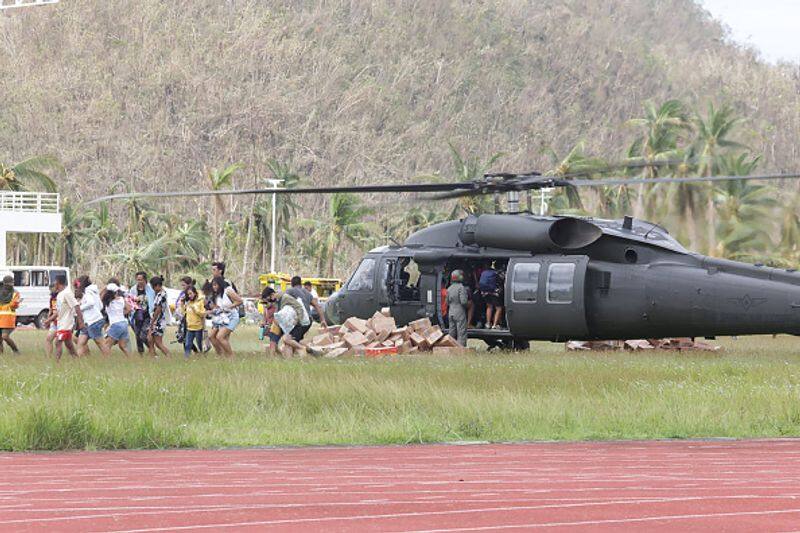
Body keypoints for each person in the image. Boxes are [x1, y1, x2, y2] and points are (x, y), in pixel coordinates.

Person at [261, 286, 308, 355]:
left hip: (296, 323)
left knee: (287, 341)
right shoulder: (276, 301)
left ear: (272, 295)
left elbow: (299, 307)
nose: (268, 301)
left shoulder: (285, 298)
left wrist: (297, 320)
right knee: (277, 340)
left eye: (268, 299)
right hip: (285, 324)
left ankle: (303, 349)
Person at [208, 276, 243, 357]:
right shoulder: (216, 295)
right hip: (221, 317)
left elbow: (239, 301)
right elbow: (217, 307)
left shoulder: (228, 291)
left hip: (232, 317)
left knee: (220, 337)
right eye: (213, 285)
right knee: (211, 336)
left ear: (220, 284)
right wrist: (213, 310)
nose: (214, 287)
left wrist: (228, 307)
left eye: (216, 285)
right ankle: (221, 355)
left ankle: (231, 356)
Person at [76, 276, 110, 356]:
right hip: (90, 321)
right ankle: (78, 362)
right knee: (81, 342)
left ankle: (108, 359)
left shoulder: (88, 292)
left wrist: (80, 308)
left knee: (100, 343)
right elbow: (100, 306)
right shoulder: (94, 292)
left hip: (93, 321)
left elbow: (91, 303)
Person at [53, 274, 83, 360]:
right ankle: (77, 360)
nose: (54, 284)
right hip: (61, 322)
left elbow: (76, 306)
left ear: (58, 282)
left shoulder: (67, 293)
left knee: (58, 342)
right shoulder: (60, 294)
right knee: (69, 344)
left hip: (66, 324)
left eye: (55, 282)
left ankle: (56, 363)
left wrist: (80, 322)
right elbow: (60, 310)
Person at [128, 271, 154, 354]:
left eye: (141, 279)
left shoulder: (150, 289)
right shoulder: (133, 289)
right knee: (137, 335)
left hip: (147, 316)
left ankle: (151, 349)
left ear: (145, 280)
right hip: (137, 315)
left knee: (143, 335)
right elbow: (129, 301)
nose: (139, 281)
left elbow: (153, 301)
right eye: (138, 279)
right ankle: (141, 353)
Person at [102, 282, 131, 356]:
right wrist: (120, 313)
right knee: (122, 346)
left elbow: (100, 297)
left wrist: (104, 288)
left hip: (115, 324)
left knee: (106, 345)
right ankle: (131, 359)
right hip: (124, 323)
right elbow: (128, 309)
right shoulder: (121, 299)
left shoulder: (107, 301)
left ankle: (106, 362)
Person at [147, 276, 170, 356]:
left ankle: (168, 355)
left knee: (158, 342)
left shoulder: (162, 295)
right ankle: (153, 357)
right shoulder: (158, 294)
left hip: (159, 321)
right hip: (156, 320)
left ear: (156, 285)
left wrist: (152, 322)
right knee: (150, 340)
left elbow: (158, 309)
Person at [182, 285, 206, 358]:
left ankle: (202, 356)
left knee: (199, 344)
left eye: (191, 293)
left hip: (198, 328)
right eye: (188, 294)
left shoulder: (200, 302)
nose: (189, 296)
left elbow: (203, 314)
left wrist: (196, 309)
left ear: (195, 293)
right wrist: (182, 305)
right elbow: (184, 313)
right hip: (190, 328)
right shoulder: (188, 303)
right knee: (187, 344)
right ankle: (186, 358)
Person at [446, 270, 469, 346]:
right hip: (459, 312)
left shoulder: (449, 288)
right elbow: (464, 302)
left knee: (452, 331)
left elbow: (447, 302)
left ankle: (450, 346)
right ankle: (460, 348)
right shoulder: (461, 288)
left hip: (451, 312)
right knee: (461, 331)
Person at [0, 275, 21, 354]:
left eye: (11, 284)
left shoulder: (15, 293)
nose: (10, 285)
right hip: (1, 318)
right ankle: (1, 355)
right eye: (8, 284)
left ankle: (16, 350)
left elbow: (14, 304)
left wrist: (4, 305)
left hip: (8, 319)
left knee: (5, 336)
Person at [479, 261, 503, 329]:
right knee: (498, 308)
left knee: (489, 307)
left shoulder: (483, 272)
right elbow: (501, 280)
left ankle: (488, 323)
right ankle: (495, 325)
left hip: (485, 292)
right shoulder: (496, 272)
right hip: (494, 292)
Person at [43, 283, 58, 357]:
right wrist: (48, 319)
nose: (52, 291)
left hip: (63, 322)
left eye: (53, 289)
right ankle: (49, 357)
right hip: (54, 322)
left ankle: (76, 354)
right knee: (49, 339)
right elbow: (51, 309)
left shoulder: (61, 297)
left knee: (69, 341)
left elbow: (58, 312)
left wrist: (48, 320)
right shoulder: (52, 298)